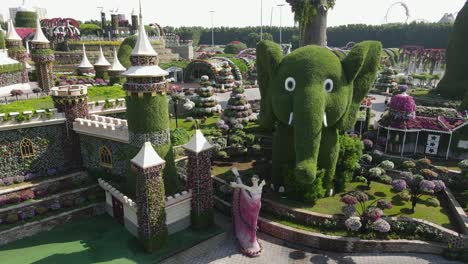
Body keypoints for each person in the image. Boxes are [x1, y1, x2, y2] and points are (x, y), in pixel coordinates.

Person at [230, 167, 265, 257]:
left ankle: (252, 240)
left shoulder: (259, 186)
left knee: (254, 222)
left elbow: (242, 186)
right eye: (252, 179)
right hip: (251, 207)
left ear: (257, 180)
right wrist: (237, 175)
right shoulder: (251, 188)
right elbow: (241, 186)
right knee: (252, 222)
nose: (253, 180)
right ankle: (250, 240)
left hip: (256, 208)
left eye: (255, 179)